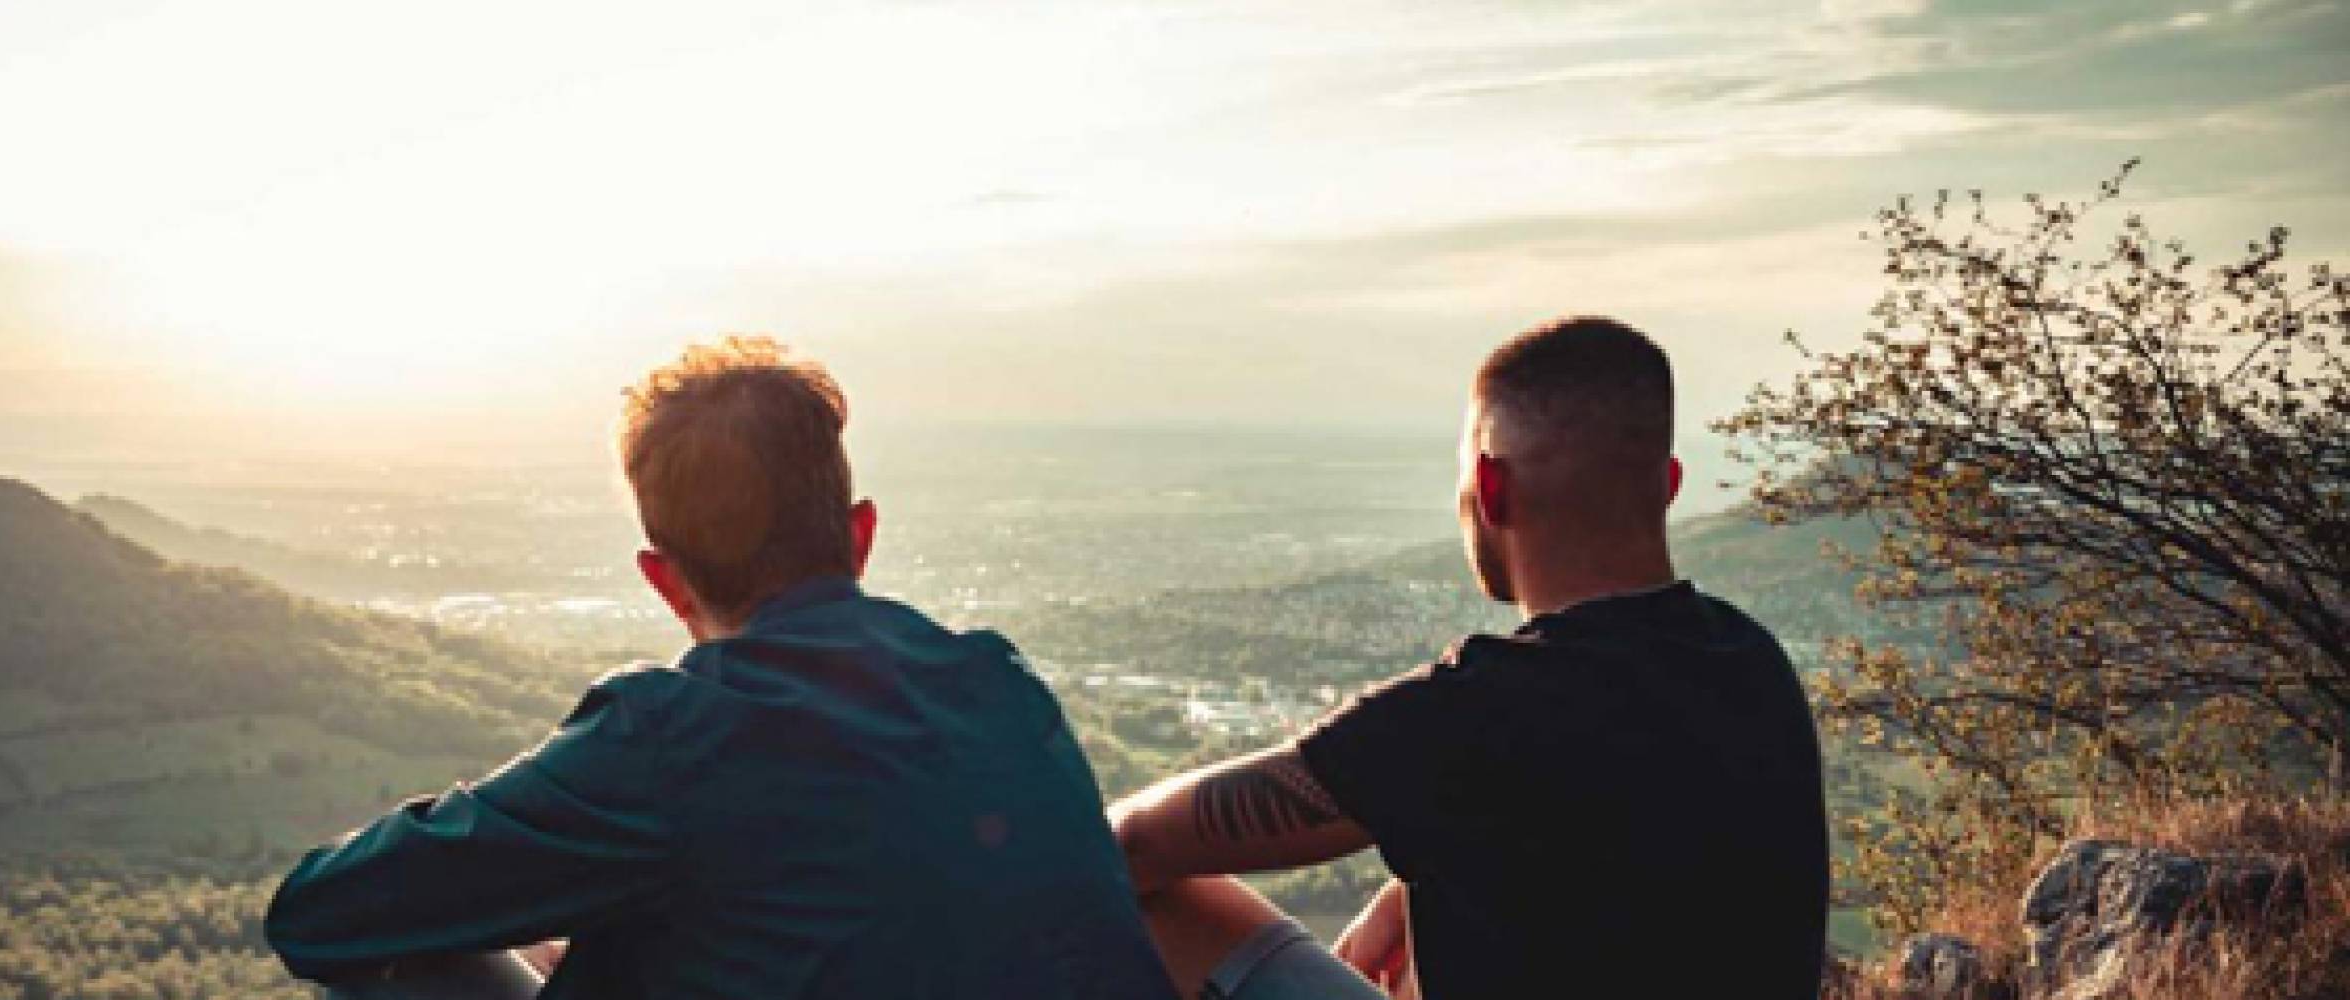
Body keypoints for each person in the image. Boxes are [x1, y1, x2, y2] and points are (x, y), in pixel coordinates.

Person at [262, 336, 1174, 1000]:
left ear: (663, 581)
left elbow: (317, 915)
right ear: (860, 535)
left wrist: (536, 887)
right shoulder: (1001, 684)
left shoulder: (669, 739)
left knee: (399, 970)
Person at [1110, 316, 1831, 1000]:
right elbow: (1619, 831)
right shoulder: (1750, 661)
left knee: (1155, 902)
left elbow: (1134, 843)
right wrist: (1408, 881)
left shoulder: (1478, 710)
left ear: (1490, 487)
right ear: (1667, 486)